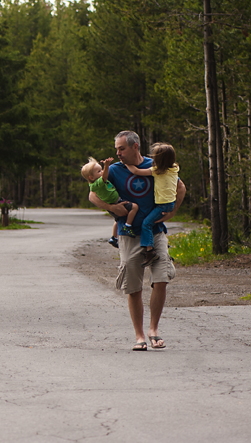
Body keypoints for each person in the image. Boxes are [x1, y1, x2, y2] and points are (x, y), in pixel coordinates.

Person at [89, 130, 186, 351]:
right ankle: (139, 335)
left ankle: (154, 329)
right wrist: (111, 207)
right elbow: (92, 194)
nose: (117, 153)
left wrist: (172, 212)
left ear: (134, 147)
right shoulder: (113, 170)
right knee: (133, 286)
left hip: (155, 230)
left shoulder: (157, 164)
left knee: (161, 278)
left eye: (121, 148)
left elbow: (180, 186)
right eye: (116, 149)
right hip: (128, 234)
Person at [125, 143, 179, 266]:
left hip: (163, 205)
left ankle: (150, 251)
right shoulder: (174, 168)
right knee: (154, 219)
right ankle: (162, 241)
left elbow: (136, 171)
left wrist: (127, 164)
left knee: (146, 223)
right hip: (169, 203)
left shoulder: (157, 171)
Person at [82, 156, 138, 248]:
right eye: (99, 171)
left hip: (115, 202)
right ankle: (128, 225)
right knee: (134, 207)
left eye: (101, 170)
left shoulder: (96, 182)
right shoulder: (96, 184)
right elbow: (104, 176)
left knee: (117, 220)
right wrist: (106, 166)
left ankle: (114, 237)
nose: (102, 172)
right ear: (91, 177)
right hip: (115, 203)